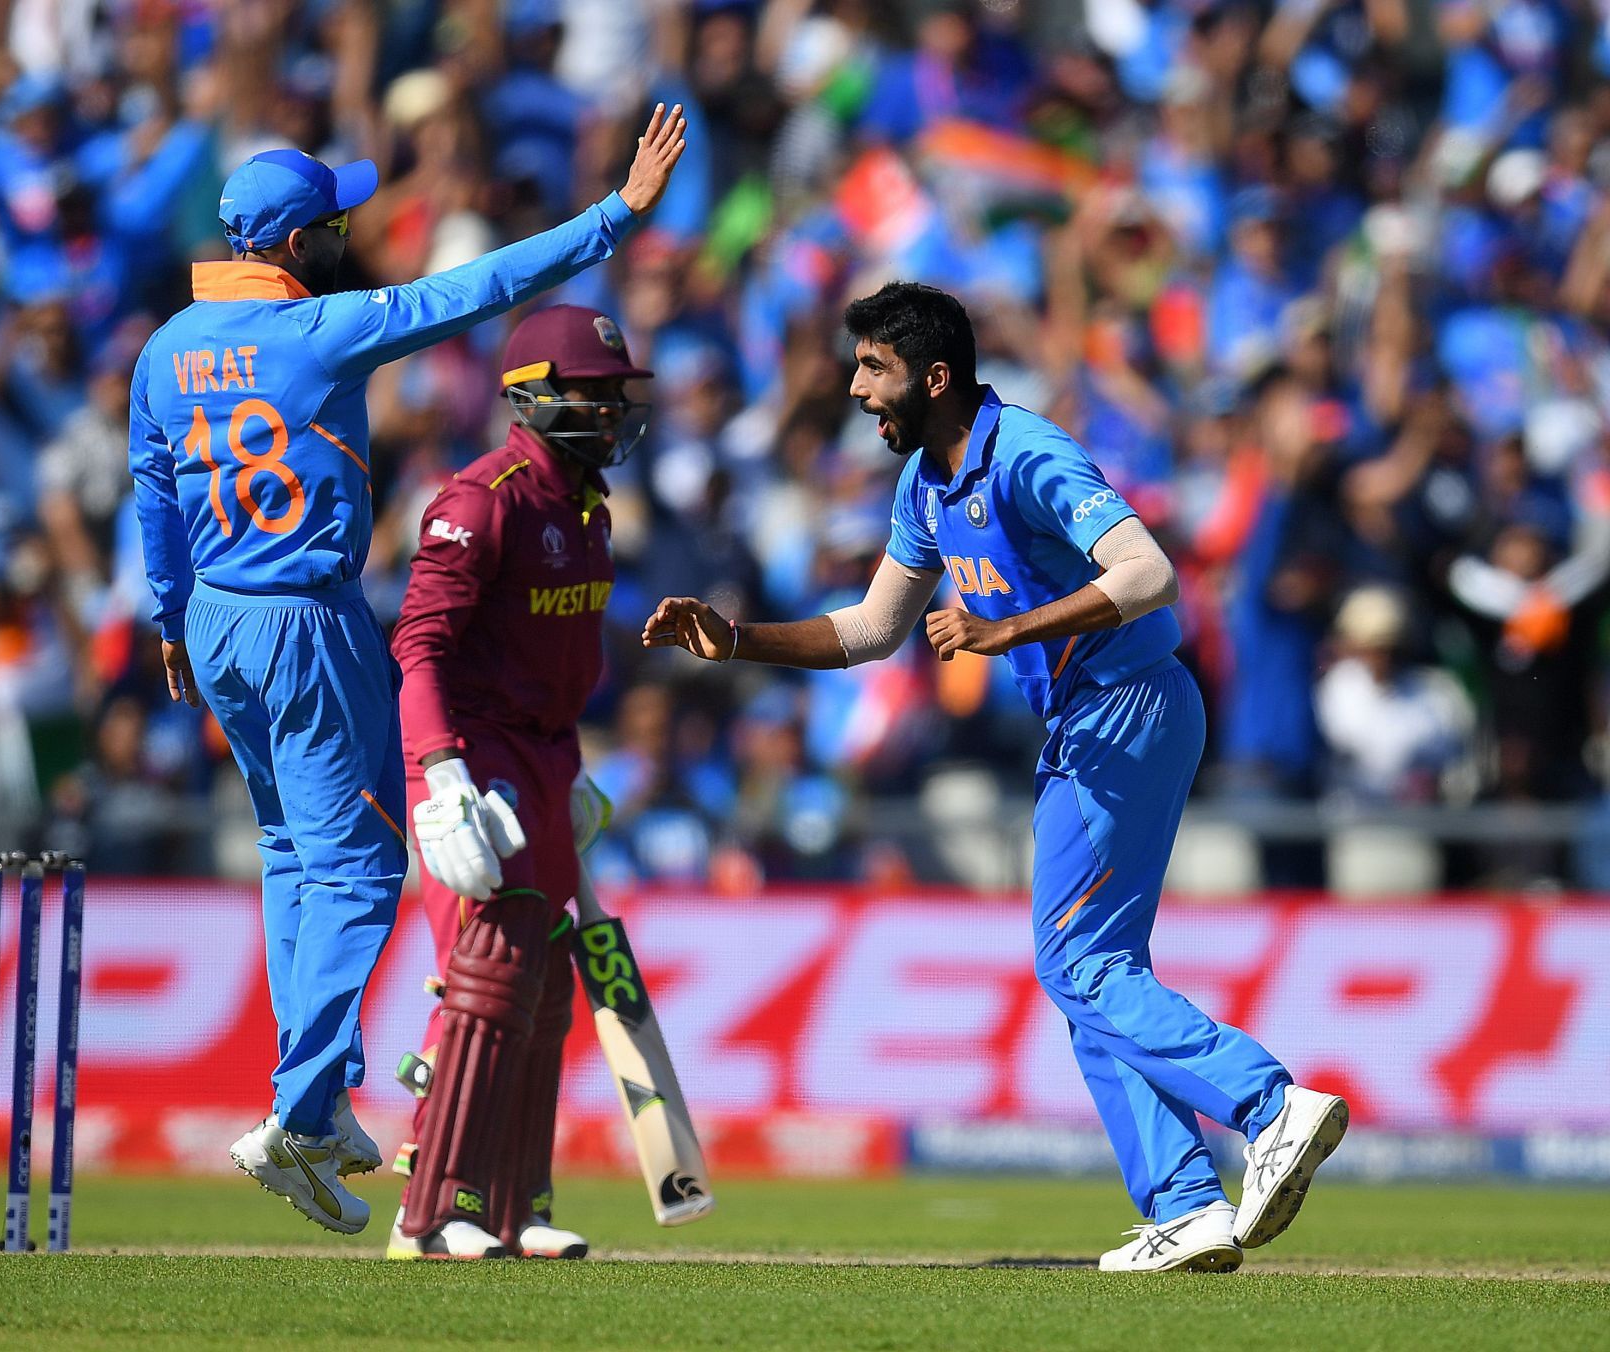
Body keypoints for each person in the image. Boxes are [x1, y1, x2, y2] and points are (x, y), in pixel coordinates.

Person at [643, 282, 1349, 1273]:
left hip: (1128, 701)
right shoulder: (926, 484)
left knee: (1079, 963)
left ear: (935, 376)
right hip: (1093, 717)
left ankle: (1270, 1103)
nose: (854, 387)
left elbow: (1149, 573)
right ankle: (1187, 1202)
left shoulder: (1027, 452)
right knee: (1093, 972)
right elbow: (872, 627)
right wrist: (738, 641)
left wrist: (1004, 630)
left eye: (873, 368)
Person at [129, 109, 686, 1236]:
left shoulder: (165, 346)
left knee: (293, 857)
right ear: (293, 247)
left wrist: (171, 619)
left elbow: (153, 483)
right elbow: (473, 291)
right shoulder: (319, 330)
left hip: (220, 620)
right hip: (303, 614)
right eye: (332, 224)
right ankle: (299, 1104)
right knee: (360, 869)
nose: (346, 237)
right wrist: (614, 216)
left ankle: (315, 1093)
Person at [385, 304, 648, 1260]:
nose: (612, 413)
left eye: (619, 396)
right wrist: (442, 775)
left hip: (546, 756)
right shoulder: (480, 500)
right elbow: (418, 645)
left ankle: (514, 1206)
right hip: (470, 750)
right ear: (530, 396)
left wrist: (568, 771)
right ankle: (433, 1213)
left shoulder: (588, 508)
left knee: (541, 986)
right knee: (491, 972)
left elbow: (563, 659)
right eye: (594, 394)